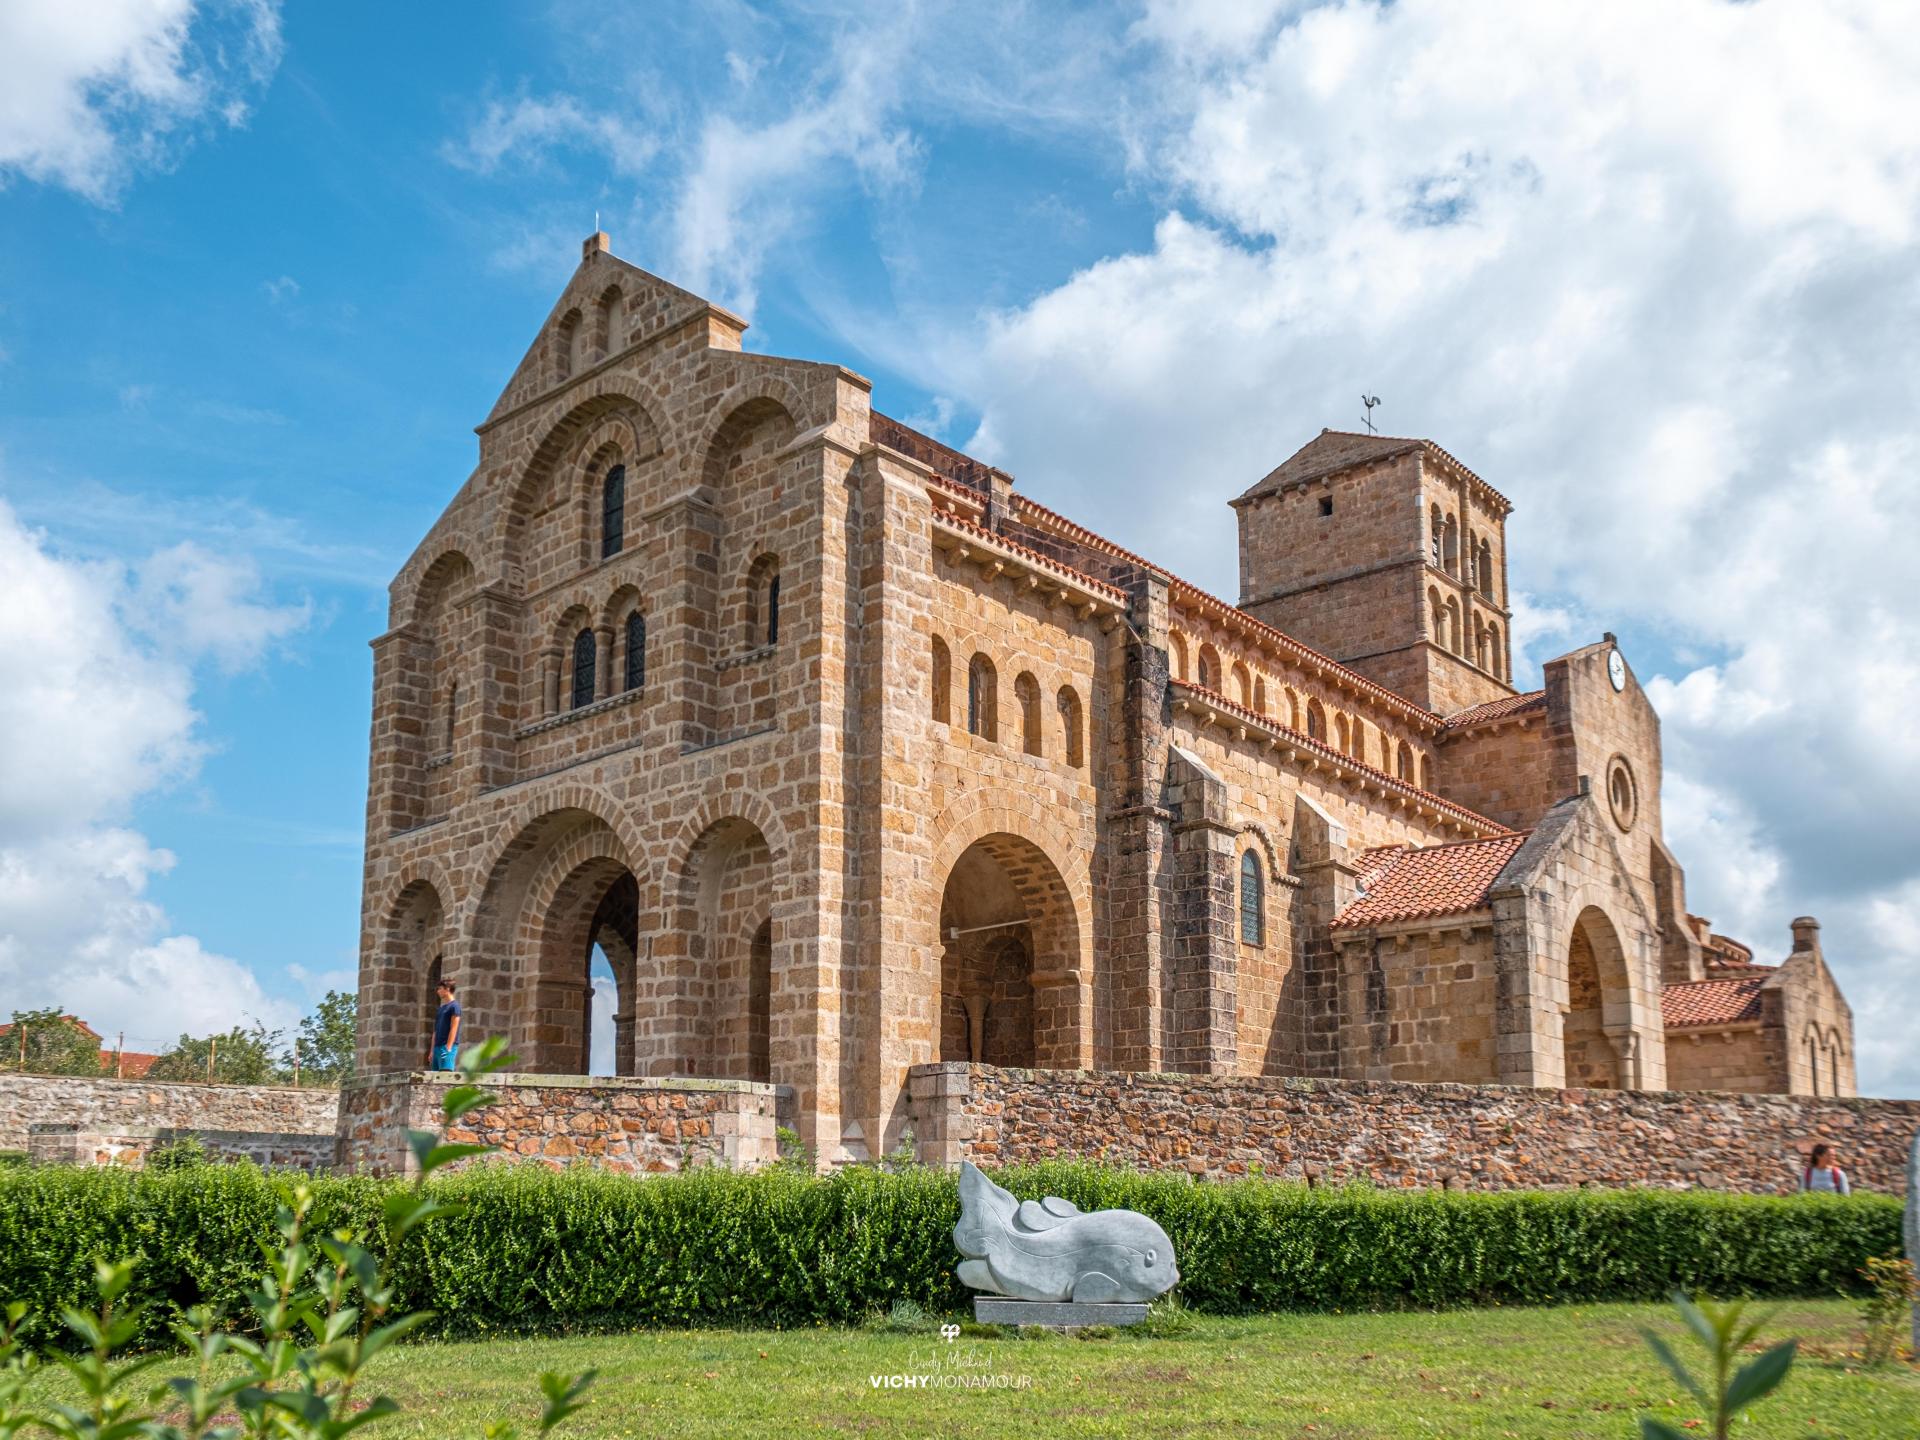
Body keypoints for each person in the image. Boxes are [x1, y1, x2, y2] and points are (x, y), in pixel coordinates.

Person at [430, 980, 461, 1071]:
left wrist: (448, 1048)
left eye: (440, 989)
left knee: (445, 1076)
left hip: (447, 1047)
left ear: (447, 989)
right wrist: (432, 1051)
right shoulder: (441, 1008)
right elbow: (435, 1031)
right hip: (437, 1048)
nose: (438, 991)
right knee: (434, 1080)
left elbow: (454, 1028)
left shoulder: (455, 1006)